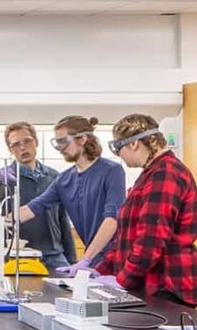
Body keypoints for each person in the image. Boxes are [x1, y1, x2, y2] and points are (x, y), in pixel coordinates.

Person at [94, 114, 197, 307]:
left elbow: (151, 239)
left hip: (165, 287)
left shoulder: (165, 174)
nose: (118, 156)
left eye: (117, 148)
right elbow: (126, 236)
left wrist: (123, 280)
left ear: (134, 144)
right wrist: (100, 270)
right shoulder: (149, 175)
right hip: (147, 284)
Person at [15, 116, 126, 273]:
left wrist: (85, 260)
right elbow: (33, 208)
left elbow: (112, 219)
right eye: (57, 143)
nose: (60, 148)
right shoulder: (64, 179)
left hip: (116, 259)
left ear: (82, 139)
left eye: (63, 142)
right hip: (93, 259)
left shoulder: (112, 171)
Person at [0, 122, 77, 270]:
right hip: (19, 256)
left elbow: (63, 219)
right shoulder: (4, 178)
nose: (22, 147)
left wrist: (72, 259)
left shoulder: (55, 177)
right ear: (10, 149)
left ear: (36, 142)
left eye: (27, 141)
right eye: (16, 144)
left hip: (53, 255)